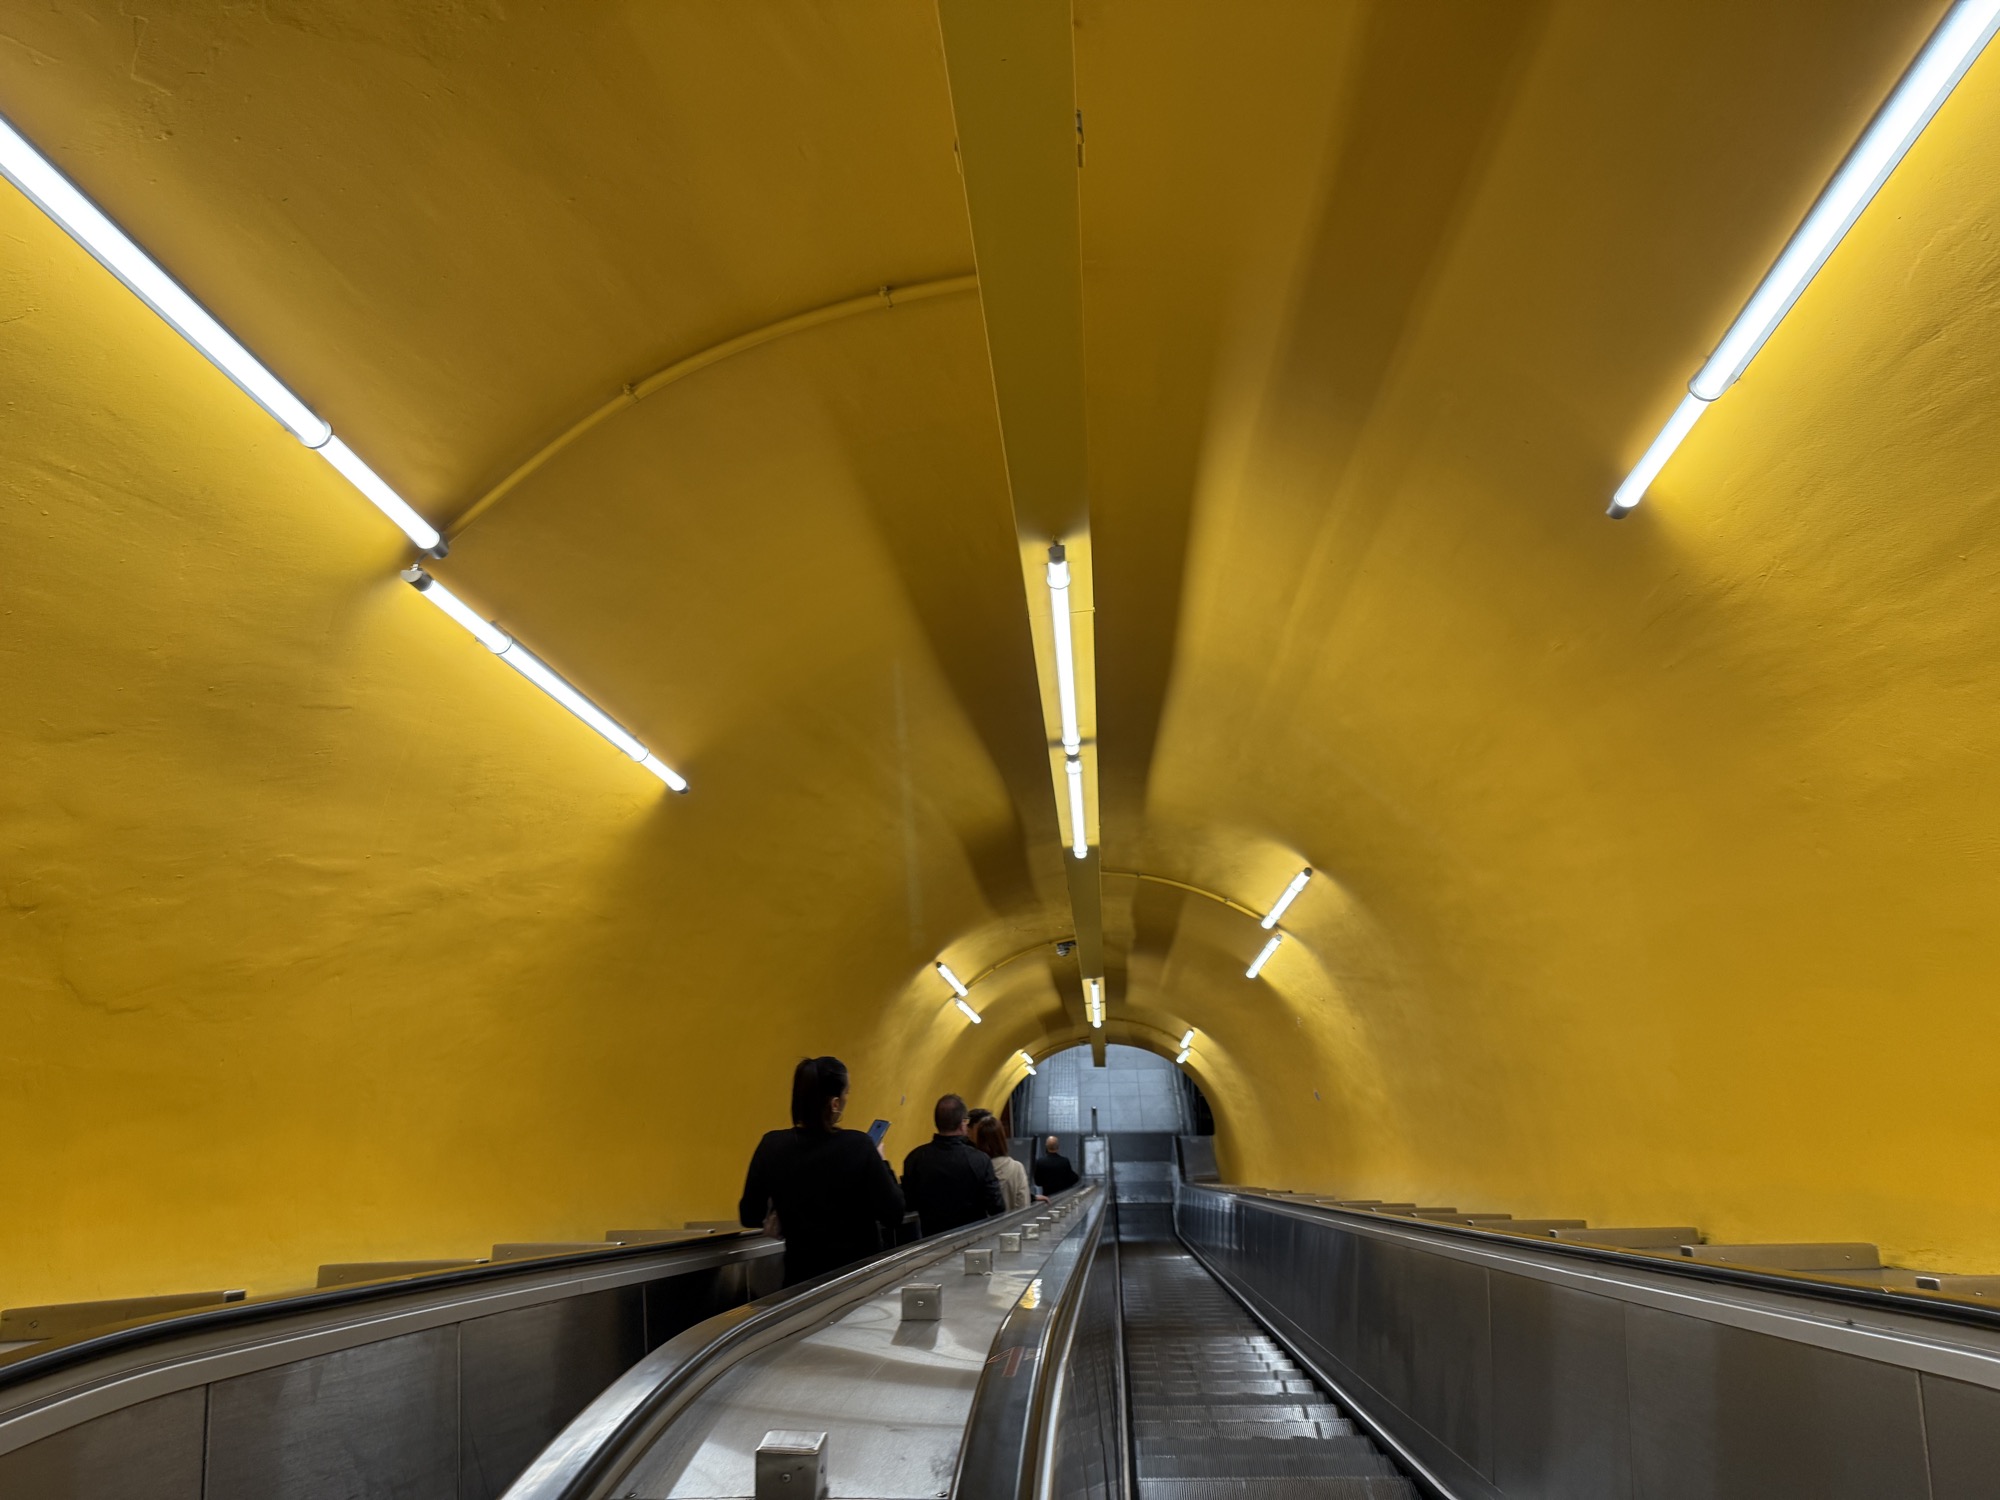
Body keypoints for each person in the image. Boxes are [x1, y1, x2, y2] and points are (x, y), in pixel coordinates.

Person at [739, 1056, 905, 1286]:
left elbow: (749, 1214)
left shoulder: (771, 1145)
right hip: (857, 1281)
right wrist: (882, 1161)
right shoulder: (859, 1145)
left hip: (801, 1283)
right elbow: (894, 1213)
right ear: (835, 1104)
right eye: (847, 1093)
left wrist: (777, 1212)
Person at [901, 1093, 1004, 1235]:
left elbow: (910, 1202)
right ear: (962, 1124)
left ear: (937, 1122)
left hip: (932, 1240)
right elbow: (996, 1206)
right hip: (972, 1240)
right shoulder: (980, 1160)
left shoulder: (914, 1158)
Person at [973, 1115, 1034, 1210]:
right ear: (1001, 1139)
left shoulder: (974, 1169)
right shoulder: (1017, 1168)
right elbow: (1023, 1205)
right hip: (1013, 1223)